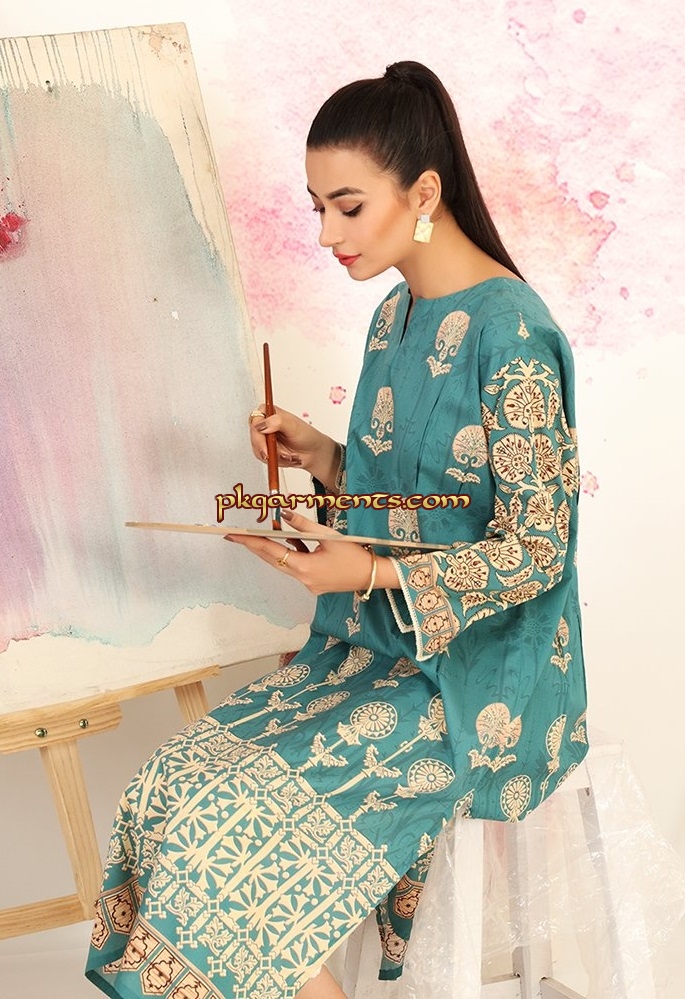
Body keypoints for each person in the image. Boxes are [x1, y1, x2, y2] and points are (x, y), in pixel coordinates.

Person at [86, 61, 588, 999]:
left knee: (233, 823)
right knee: (171, 782)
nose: (325, 233)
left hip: (482, 680)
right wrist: (321, 455)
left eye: (347, 207)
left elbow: (536, 548)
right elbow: (420, 497)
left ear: (423, 193)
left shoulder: (511, 332)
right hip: (370, 652)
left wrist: (368, 576)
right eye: (317, 207)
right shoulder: (393, 316)